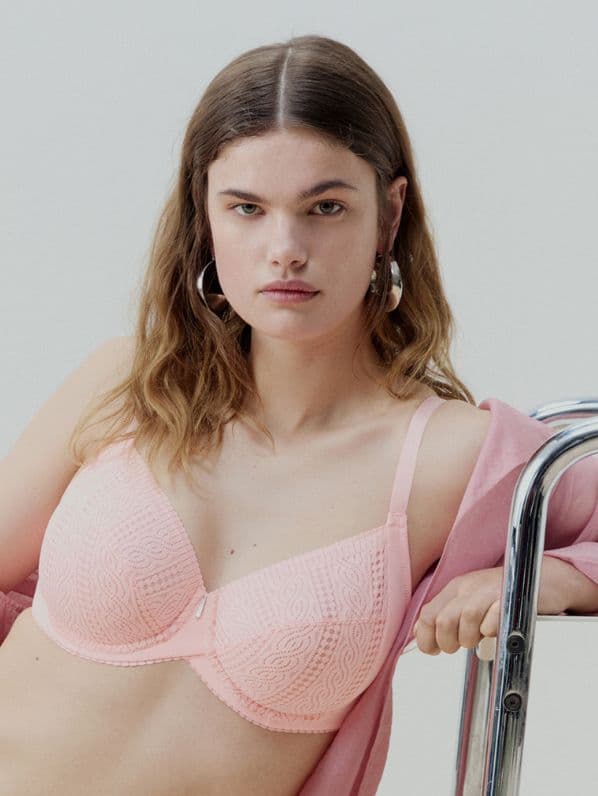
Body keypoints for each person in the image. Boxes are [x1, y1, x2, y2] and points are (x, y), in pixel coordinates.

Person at [1, 33, 598, 796]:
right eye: (247, 208)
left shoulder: (448, 457)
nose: (285, 248)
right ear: (204, 214)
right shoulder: (125, 385)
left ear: (388, 215)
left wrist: (553, 580)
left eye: (325, 206)